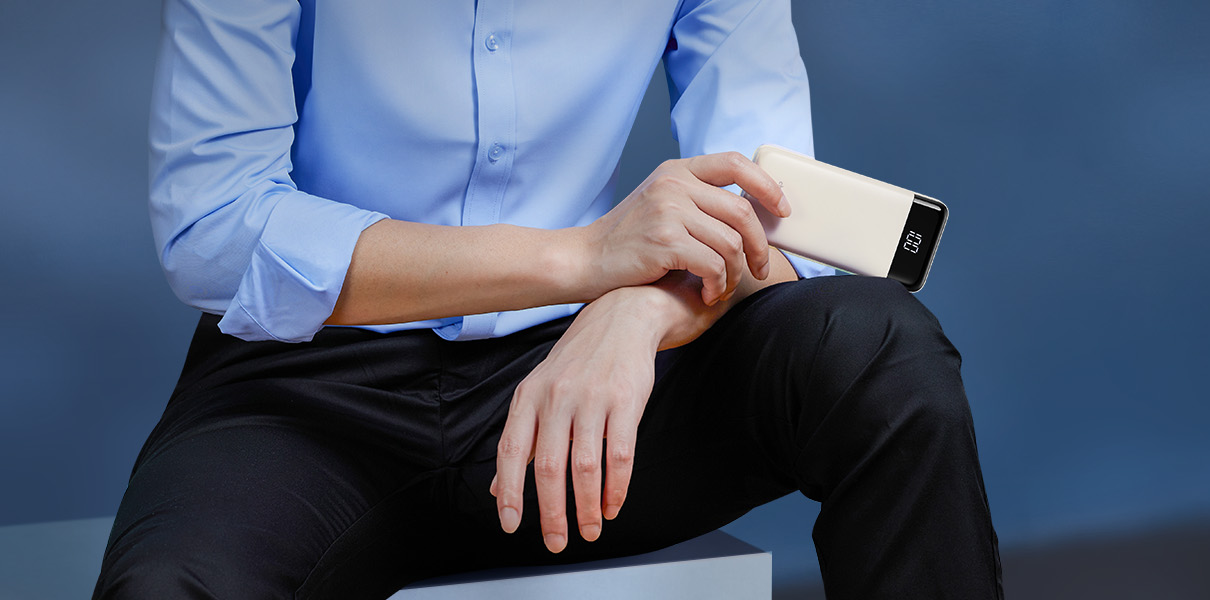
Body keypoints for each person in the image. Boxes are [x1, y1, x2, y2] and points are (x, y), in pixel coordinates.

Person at [93, 1, 1003, 598]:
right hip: (306, 389)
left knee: (880, 352)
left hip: (593, 387)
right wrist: (583, 259)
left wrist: (636, 308)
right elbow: (212, 229)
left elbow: (766, 202)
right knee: (171, 588)